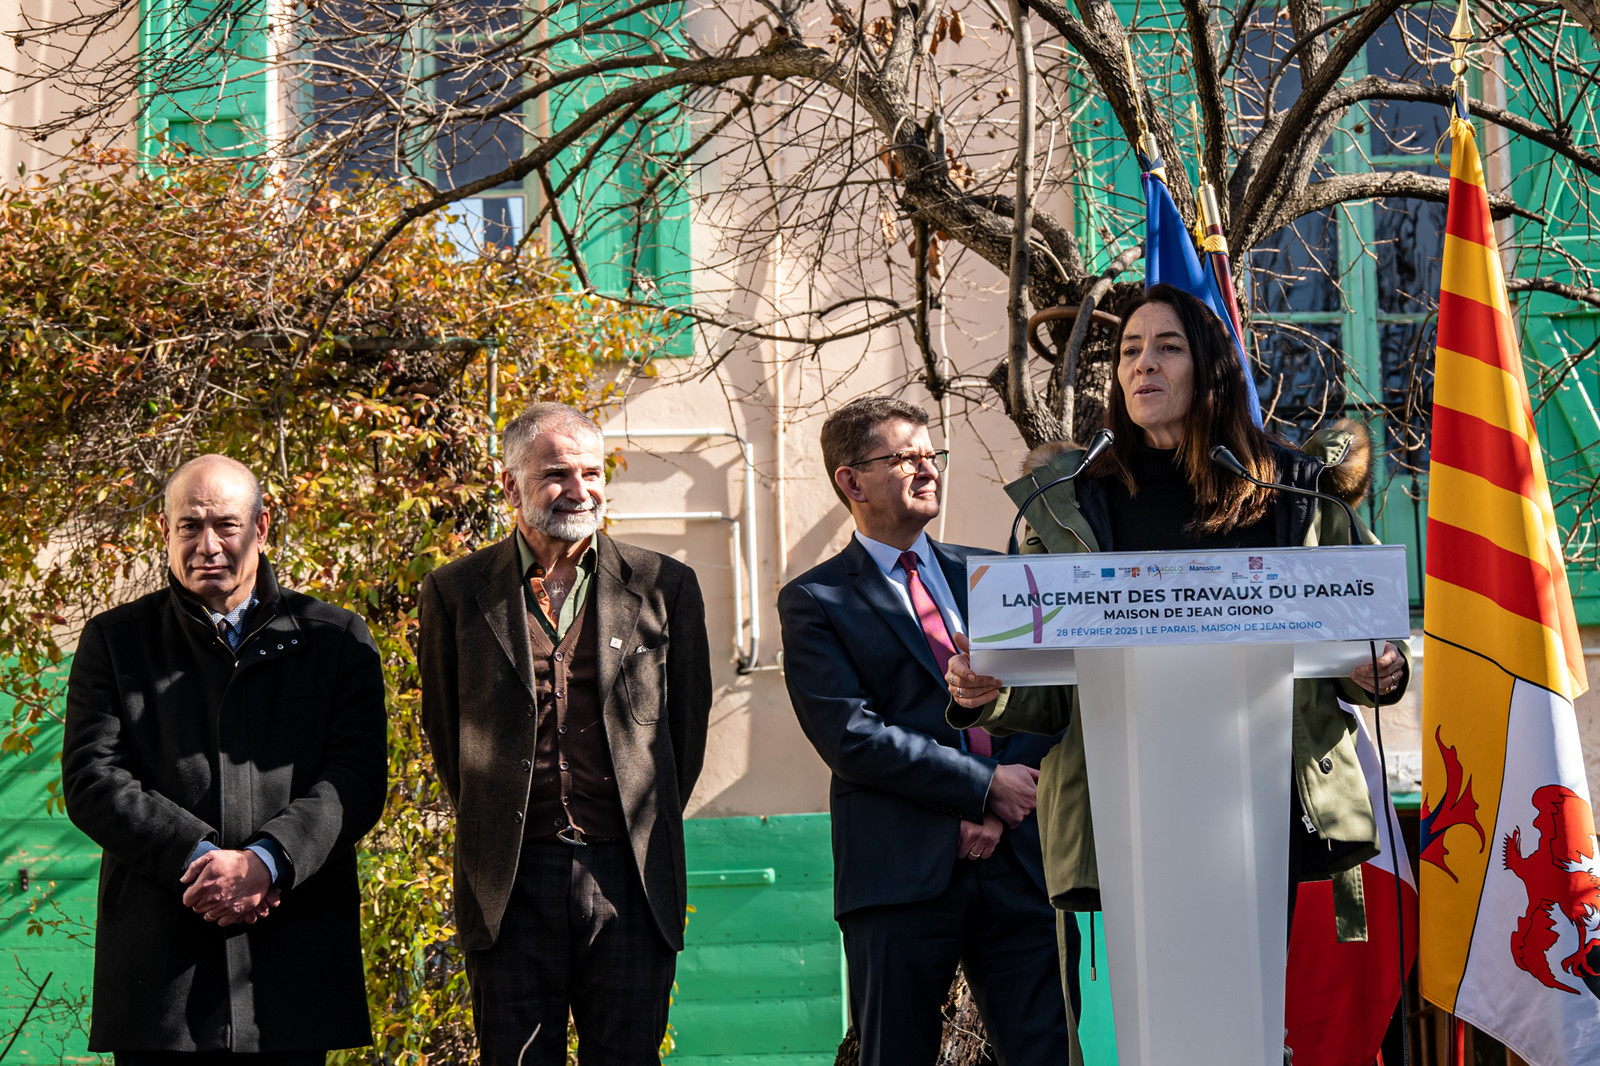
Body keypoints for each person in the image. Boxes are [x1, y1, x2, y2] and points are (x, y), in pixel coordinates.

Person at [944, 284, 1410, 1049]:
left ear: (1212, 370)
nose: (1142, 365)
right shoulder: (1071, 506)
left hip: (1267, 804)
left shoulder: (1290, 492)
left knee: (1248, 1026)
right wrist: (986, 692)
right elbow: (1049, 696)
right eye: (1130, 350)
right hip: (1127, 811)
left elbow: (1363, 645)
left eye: (1167, 347)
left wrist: (1379, 669)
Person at [777, 396, 1076, 1066]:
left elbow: (1049, 696)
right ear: (852, 481)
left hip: (1022, 861)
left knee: (1048, 1051)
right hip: (901, 871)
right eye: (905, 458)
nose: (929, 469)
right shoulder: (816, 600)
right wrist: (980, 788)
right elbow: (851, 734)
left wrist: (1005, 799)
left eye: (931, 454)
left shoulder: (995, 577)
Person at [62, 454, 388, 1065]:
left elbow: (357, 777)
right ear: (164, 531)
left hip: (292, 968)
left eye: (226, 525)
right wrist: (200, 861)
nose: (207, 545)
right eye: (189, 526)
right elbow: (91, 778)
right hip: (163, 976)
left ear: (260, 528)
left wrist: (268, 862)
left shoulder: (335, 639)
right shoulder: (116, 641)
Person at [418, 402, 712, 1066]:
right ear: (510, 486)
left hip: (630, 878)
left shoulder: (665, 586)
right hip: (511, 881)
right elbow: (448, 737)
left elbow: (683, 737)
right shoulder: (455, 593)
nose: (579, 490)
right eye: (556, 474)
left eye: (592, 472)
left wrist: (636, 826)